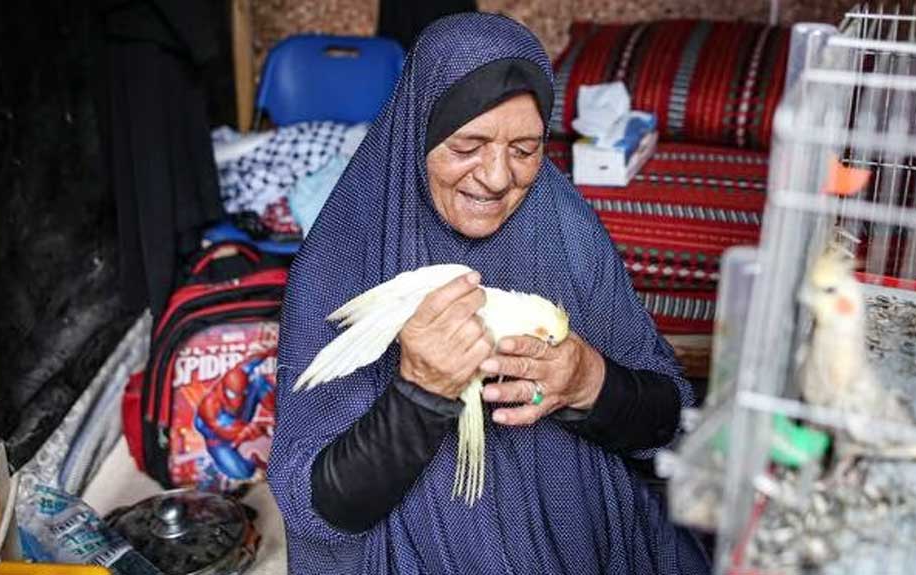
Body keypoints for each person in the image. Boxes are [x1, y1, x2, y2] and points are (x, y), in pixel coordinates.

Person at [268, 13, 710, 575]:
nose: (498, 177)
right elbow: (315, 507)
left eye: (525, 150)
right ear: (419, 131)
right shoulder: (346, 255)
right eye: (468, 146)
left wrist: (589, 381)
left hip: (584, 535)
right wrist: (419, 394)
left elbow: (671, 415)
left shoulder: (564, 226)